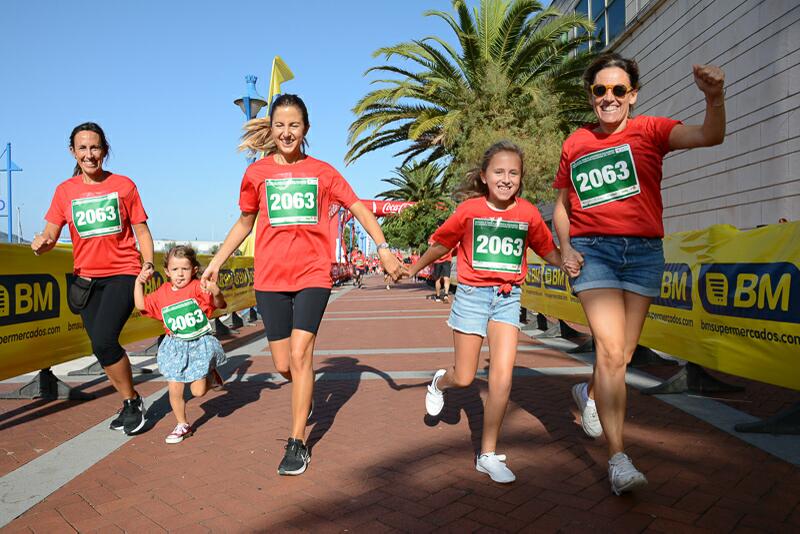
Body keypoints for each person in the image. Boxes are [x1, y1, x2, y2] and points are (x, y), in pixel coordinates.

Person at [201, 94, 405, 476]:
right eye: (279, 124)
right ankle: (303, 392)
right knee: (282, 366)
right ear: (272, 128)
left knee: (300, 355)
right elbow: (245, 222)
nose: (286, 132)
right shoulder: (257, 174)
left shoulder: (323, 172)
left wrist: (383, 248)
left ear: (306, 129)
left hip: (313, 276)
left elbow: (359, 207)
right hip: (270, 279)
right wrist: (215, 262)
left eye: (294, 125)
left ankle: (297, 442)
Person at [553, 53, 726, 495]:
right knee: (610, 352)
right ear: (591, 95)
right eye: (600, 90)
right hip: (594, 253)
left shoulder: (652, 130)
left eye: (617, 90)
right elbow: (563, 204)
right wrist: (567, 246)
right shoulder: (575, 143)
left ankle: (590, 394)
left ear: (632, 95)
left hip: (645, 253)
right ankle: (618, 457)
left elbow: (710, 135)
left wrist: (715, 97)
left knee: (623, 355)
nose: (608, 98)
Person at [406, 141, 562, 484]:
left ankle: (487, 454)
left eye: (513, 173)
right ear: (484, 176)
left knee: (502, 378)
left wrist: (566, 262)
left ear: (520, 178)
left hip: (508, 298)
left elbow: (546, 247)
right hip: (473, 297)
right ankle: (439, 383)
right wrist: (414, 267)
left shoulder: (528, 213)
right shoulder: (469, 210)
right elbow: (441, 244)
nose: (506, 179)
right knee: (464, 376)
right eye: (499, 172)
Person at [31, 122, 154, 435]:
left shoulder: (124, 185)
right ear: (73, 152)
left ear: (105, 150)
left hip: (123, 273)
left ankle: (132, 402)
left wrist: (148, 262)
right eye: (82, 148)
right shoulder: (65, 191)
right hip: (85, 280)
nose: (89, 154)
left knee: (104, 339)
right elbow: (50, 231)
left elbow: (141, 229)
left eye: (95, 147)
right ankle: (131, 401)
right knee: (100, 348)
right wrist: (43, 242)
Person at [134, 246, 226, 444]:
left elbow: (220, 305)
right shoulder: (162, 293)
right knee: (175, 388)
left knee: (197, 392)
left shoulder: (197, 287)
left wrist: (216, 292)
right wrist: (138, 283)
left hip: (198, 344)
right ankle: (182, 424)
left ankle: (210, 375)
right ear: (167, 271)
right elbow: (141, 305)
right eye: (175, 269)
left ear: (193, 269)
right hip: (174, 348)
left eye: (185, 269)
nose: (180, 274)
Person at [430, 237, 454, 302]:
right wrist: (449, 253)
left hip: (437, 260)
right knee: (446, 278)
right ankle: (446, 295)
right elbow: (454, 247)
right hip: (447, 259)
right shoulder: (449, 235)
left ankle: (438, 297)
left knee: (437, 279)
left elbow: (431, 249)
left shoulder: (434, 236)